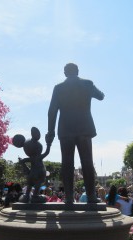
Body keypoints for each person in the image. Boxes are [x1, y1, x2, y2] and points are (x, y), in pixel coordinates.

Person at [46, 63, 104, 203]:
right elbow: (101, 96)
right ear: (77, 71)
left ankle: (69, 197)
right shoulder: (88, 84)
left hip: (65, 129)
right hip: (84, 128)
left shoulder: (59, 88)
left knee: (67, 163)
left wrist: (51, 131)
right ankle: (91, 196)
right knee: (87, 162)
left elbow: (52, 111)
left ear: (65, 73)